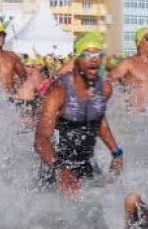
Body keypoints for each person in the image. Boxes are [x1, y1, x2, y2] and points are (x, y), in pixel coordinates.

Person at [34, 32, 123, 194]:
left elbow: (98, 119)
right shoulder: (59, 92)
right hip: (56, 170)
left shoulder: (104, 89)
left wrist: (116, 151)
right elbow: (41, 138)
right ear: (77, 59)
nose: (94, 59)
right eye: (87, 54)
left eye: (98, 54)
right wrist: (61, 169)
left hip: (87, 165)